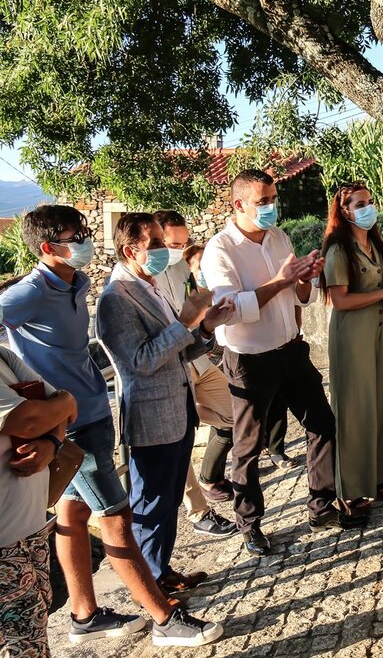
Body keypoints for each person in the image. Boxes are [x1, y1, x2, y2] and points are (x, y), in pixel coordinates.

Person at [0, 205, 222, 645]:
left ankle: (84, 613)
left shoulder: (74, 282)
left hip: (85, 413)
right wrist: (23, 386)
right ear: (48, 247)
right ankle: (162, 618)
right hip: (71, 421)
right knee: (117, 517)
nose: (85, 238)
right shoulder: (29, 291)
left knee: (73, 513)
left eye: (85, 229)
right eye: (75, 233)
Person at [95, 213, 227, 646]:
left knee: (168, 501)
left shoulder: (146, 286)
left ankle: (162, 571)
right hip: (150, 418)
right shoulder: (115, 298)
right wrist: (187, 322)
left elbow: (179, 349)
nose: (162, 249)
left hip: (176, 409)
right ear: (131, 250)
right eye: (153, 242)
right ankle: (153, 592)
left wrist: (205, 325)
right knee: (150, 507)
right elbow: (140, 360)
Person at [201, 169, 344, 556]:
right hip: (250, 360)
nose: (271, 207)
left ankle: (321, 506)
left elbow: (301, 298)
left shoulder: (279, 236)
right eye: (263, 201)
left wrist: (304, 278)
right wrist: (282, 280)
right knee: (248, 446)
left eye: (273, 199)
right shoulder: (220, 250)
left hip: (290, 350)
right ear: (239, 204)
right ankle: (249, 524)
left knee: (323, 425)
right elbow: (230, 310)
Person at [320, 184, 383, 515]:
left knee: (382, 405)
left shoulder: (375, 245)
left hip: (380, 335)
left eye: (370, 202)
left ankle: (379, 477)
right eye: (360, 204)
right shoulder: (338, 250)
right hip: (352, 339)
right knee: (354, 413)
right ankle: (352, 489)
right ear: (344, 211)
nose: (368, 208)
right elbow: (340, 300)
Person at [152, 212, 236, 541]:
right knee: (181, 435)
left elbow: (192, 310)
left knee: (235, 415)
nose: (179, 249)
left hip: (197, 360)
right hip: (171, 367)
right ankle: (198, 510)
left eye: (183, 243)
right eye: (172, 244)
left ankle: (209, 475)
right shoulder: (142, 281)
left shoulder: (180, 267)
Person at [185, 243, 295, 472]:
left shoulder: (213, 291)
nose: (204, 270)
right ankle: (214, 476)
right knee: (232, 422)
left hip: (213, 357)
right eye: (199, 265)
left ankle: (273, 449)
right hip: (215, 357)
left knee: (272, 404)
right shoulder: (191, 295)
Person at [0, 334, 74, 658]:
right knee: (22, 647)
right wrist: (65, 404)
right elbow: (28, 420)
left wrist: (53, 443)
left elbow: (58, 409)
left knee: (34, 634)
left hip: (30, 533)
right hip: (4, 548)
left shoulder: (3, 356)